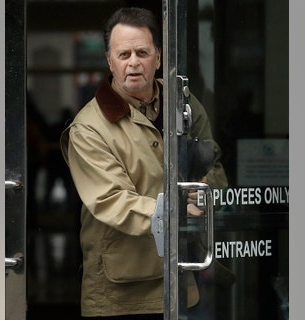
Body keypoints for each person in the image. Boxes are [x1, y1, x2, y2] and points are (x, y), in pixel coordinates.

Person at [60, 7, 227, 319]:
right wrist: (177, 208)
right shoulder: (88, 127)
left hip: (183, 280)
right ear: (109, 61)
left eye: (142, 52)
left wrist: (203, 190)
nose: (133, 62)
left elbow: (214, 167)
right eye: (123, 54)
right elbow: (111, 200)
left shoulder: (184, 104)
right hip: (119, 295)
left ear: (159, 58)